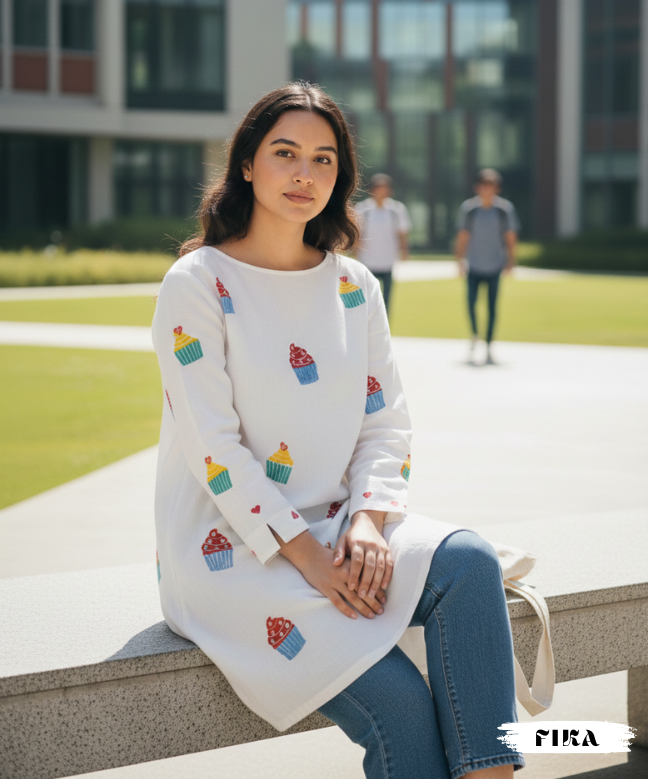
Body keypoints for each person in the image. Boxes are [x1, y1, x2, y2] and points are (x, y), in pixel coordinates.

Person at [151, 84, 524, 779]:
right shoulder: (196, 283)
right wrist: (311, 559)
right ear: (246, 166)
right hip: (234, 549)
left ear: (340, 179)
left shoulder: (355, 284)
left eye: (324, 160)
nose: (304, 174)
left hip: (340, 525)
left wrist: (370, 524)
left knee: (470, 560)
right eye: (285, 153)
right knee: (404, 707)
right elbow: (216, 452)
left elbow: (386, 420)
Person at [455, 169, 520, 365]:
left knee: (492, 307)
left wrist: (511, 261)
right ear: (478, 187)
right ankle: (475, 334)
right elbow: (463, 237)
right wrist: (459, 260)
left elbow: (510, 237)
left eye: (491, 186)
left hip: (495, 264)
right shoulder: (469, 209)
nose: (487, 189)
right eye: (484, 185)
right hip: (473, 264)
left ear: (497, 188)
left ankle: (489, 344)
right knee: (471, 302)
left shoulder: (504, 209)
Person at [354, 173, 412, 314]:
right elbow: (357, 234)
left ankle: (384, 331)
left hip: (388, 260)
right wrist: (356, 250)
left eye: (385, 188)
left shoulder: (397, 209)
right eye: (378, 188)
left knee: (386, 299)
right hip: (367, 261)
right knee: (366, 299)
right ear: (372, 190)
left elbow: (402, 233)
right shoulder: (362, 209)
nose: (382, 191)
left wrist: (404, 251)